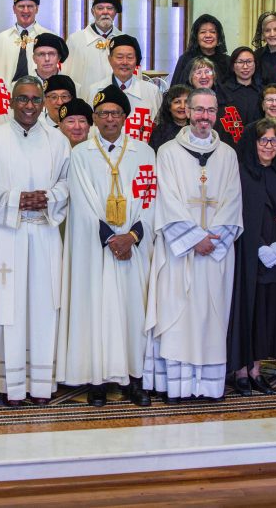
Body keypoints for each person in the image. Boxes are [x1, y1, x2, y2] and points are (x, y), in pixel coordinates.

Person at [57, 83, 156, 407]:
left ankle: (135, 378)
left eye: (115, 113)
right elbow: (82, 202)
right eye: (102, 114)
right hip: (97, 248)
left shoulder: (144, 151)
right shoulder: (81, 153)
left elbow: (151, 198)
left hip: (134, 248)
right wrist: (111, 238)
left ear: (125, 116)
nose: (109, 119)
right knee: (96, 310)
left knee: (133, 311)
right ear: (94, 119)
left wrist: (134, 236)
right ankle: (96, 380)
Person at [143, 88, 243, 404]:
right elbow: (167, 199)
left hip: (216, 253)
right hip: (179, 254)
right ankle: (178, 386)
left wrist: (211, 240)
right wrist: (193, 239)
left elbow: (233, 200)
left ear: (217, 113)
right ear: (186, 111)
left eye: (210, 110)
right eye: (198, 110)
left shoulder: (228, 154)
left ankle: (208, 385)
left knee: (211, 318)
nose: (204, 117)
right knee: (177, 314)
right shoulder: (168, 152)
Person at [0, 77, 71, 404]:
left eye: (35, 99)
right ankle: (10, 383)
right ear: (11, 101)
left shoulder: (57, 141)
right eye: (22, 99)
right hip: (7, 235)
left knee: (45, 304)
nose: (29, 106)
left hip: (45, 232)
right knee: (9, 307)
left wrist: (46, 198)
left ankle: (42, 382)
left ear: (44, 102)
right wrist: (18, 199)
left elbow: (66, 182)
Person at [229, 120, 276, 396]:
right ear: (253, 143)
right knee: (246, 310)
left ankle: (256, 370)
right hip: (248, 258)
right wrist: (258, 246)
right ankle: (239, 371)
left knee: (265, 315)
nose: (269, 146)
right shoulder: (240, 174)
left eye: (273, 141)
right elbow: (236, 214)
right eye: (263, 141)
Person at [85, 34, 162, 144]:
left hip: (141, 155)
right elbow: (90, 128)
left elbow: (159, 128)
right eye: (119, 57)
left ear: (136, 61)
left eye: (130, 57)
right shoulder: (95, 90)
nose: (125, 62)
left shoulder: (152, 91)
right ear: (110, 59)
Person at [0, 0, 53, 82]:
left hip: (40, 93)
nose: (26, 11)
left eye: (30, 6)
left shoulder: (50, 37)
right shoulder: (1, 38)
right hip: (9, 94)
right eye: (21, 6)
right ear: (14, 9)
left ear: (37, 9)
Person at [64, 0, 123, 87]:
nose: (105, 12)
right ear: (93, 12)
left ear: (115, 12)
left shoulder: (124, 40)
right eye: (100, 8)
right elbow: (67, 75)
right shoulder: (76, 40)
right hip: (85, 99)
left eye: (109, 8)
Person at [215, 46, 263, 147]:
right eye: (240, 62)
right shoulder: (222, 91)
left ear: (255, 64)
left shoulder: (262, 92)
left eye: (249, 62)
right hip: (228, 145)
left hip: (257, 147)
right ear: (233, 66)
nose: (245, 67)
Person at [169, 14, 230, 87]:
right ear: (196, 37)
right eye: (203, 32)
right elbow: (176, 90)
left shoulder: (227, 61)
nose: (208, 35)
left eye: (212, 32)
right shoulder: (186, 59)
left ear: (218, 36)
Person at [148, 84, 191, 151]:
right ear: (169, 107)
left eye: (187, 102)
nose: (182, 106)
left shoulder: (197, 129)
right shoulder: (159, 132)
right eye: (177, 102)